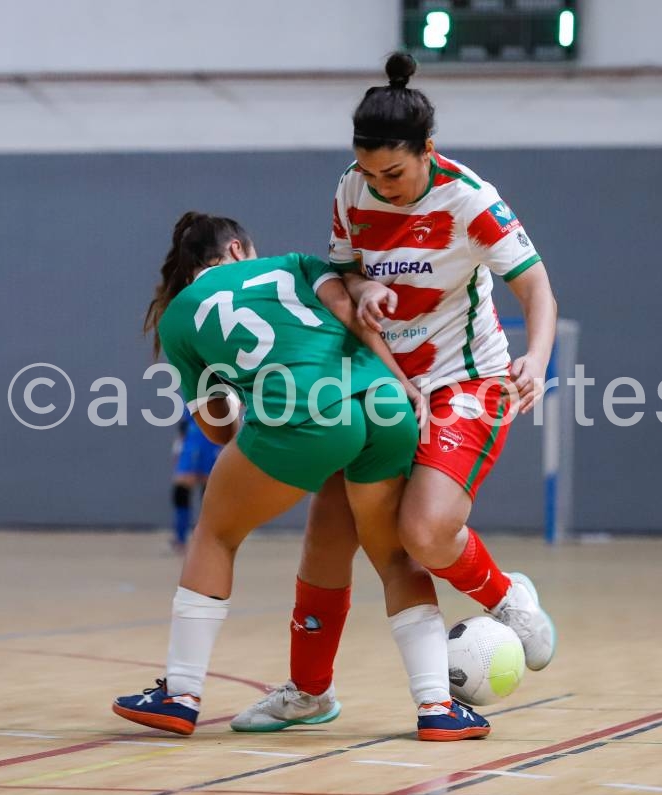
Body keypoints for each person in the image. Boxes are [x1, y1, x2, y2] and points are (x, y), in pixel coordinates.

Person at [231, 52, 558, 733]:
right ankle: (308, 692)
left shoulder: (469, 198)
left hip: (466, 381)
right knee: (328, 533)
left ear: (428, 152)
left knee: (423, 532)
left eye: (396, 172)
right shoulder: (352, 189)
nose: (382, 186)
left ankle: (506, 597)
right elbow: (342, 281)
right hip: (378, 381)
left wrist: (537, 357)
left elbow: (536, 286)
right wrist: (365, 289)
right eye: (371, 171)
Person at [111, 211, 491, 741]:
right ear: (241, 248)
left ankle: (180, 692)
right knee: (392, 556)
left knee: (215, 533)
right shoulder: (294, 265)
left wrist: (248, 402)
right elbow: (356, 317)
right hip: (385, 403)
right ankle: (436, 706)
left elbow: (217, 431)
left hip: (308, 417)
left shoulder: (178, 316)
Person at [169, 415, 222, 553]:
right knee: (184, 491)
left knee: (205, 492)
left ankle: (204, 540)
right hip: (200, 436)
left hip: (206, 437)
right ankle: (183, 539)